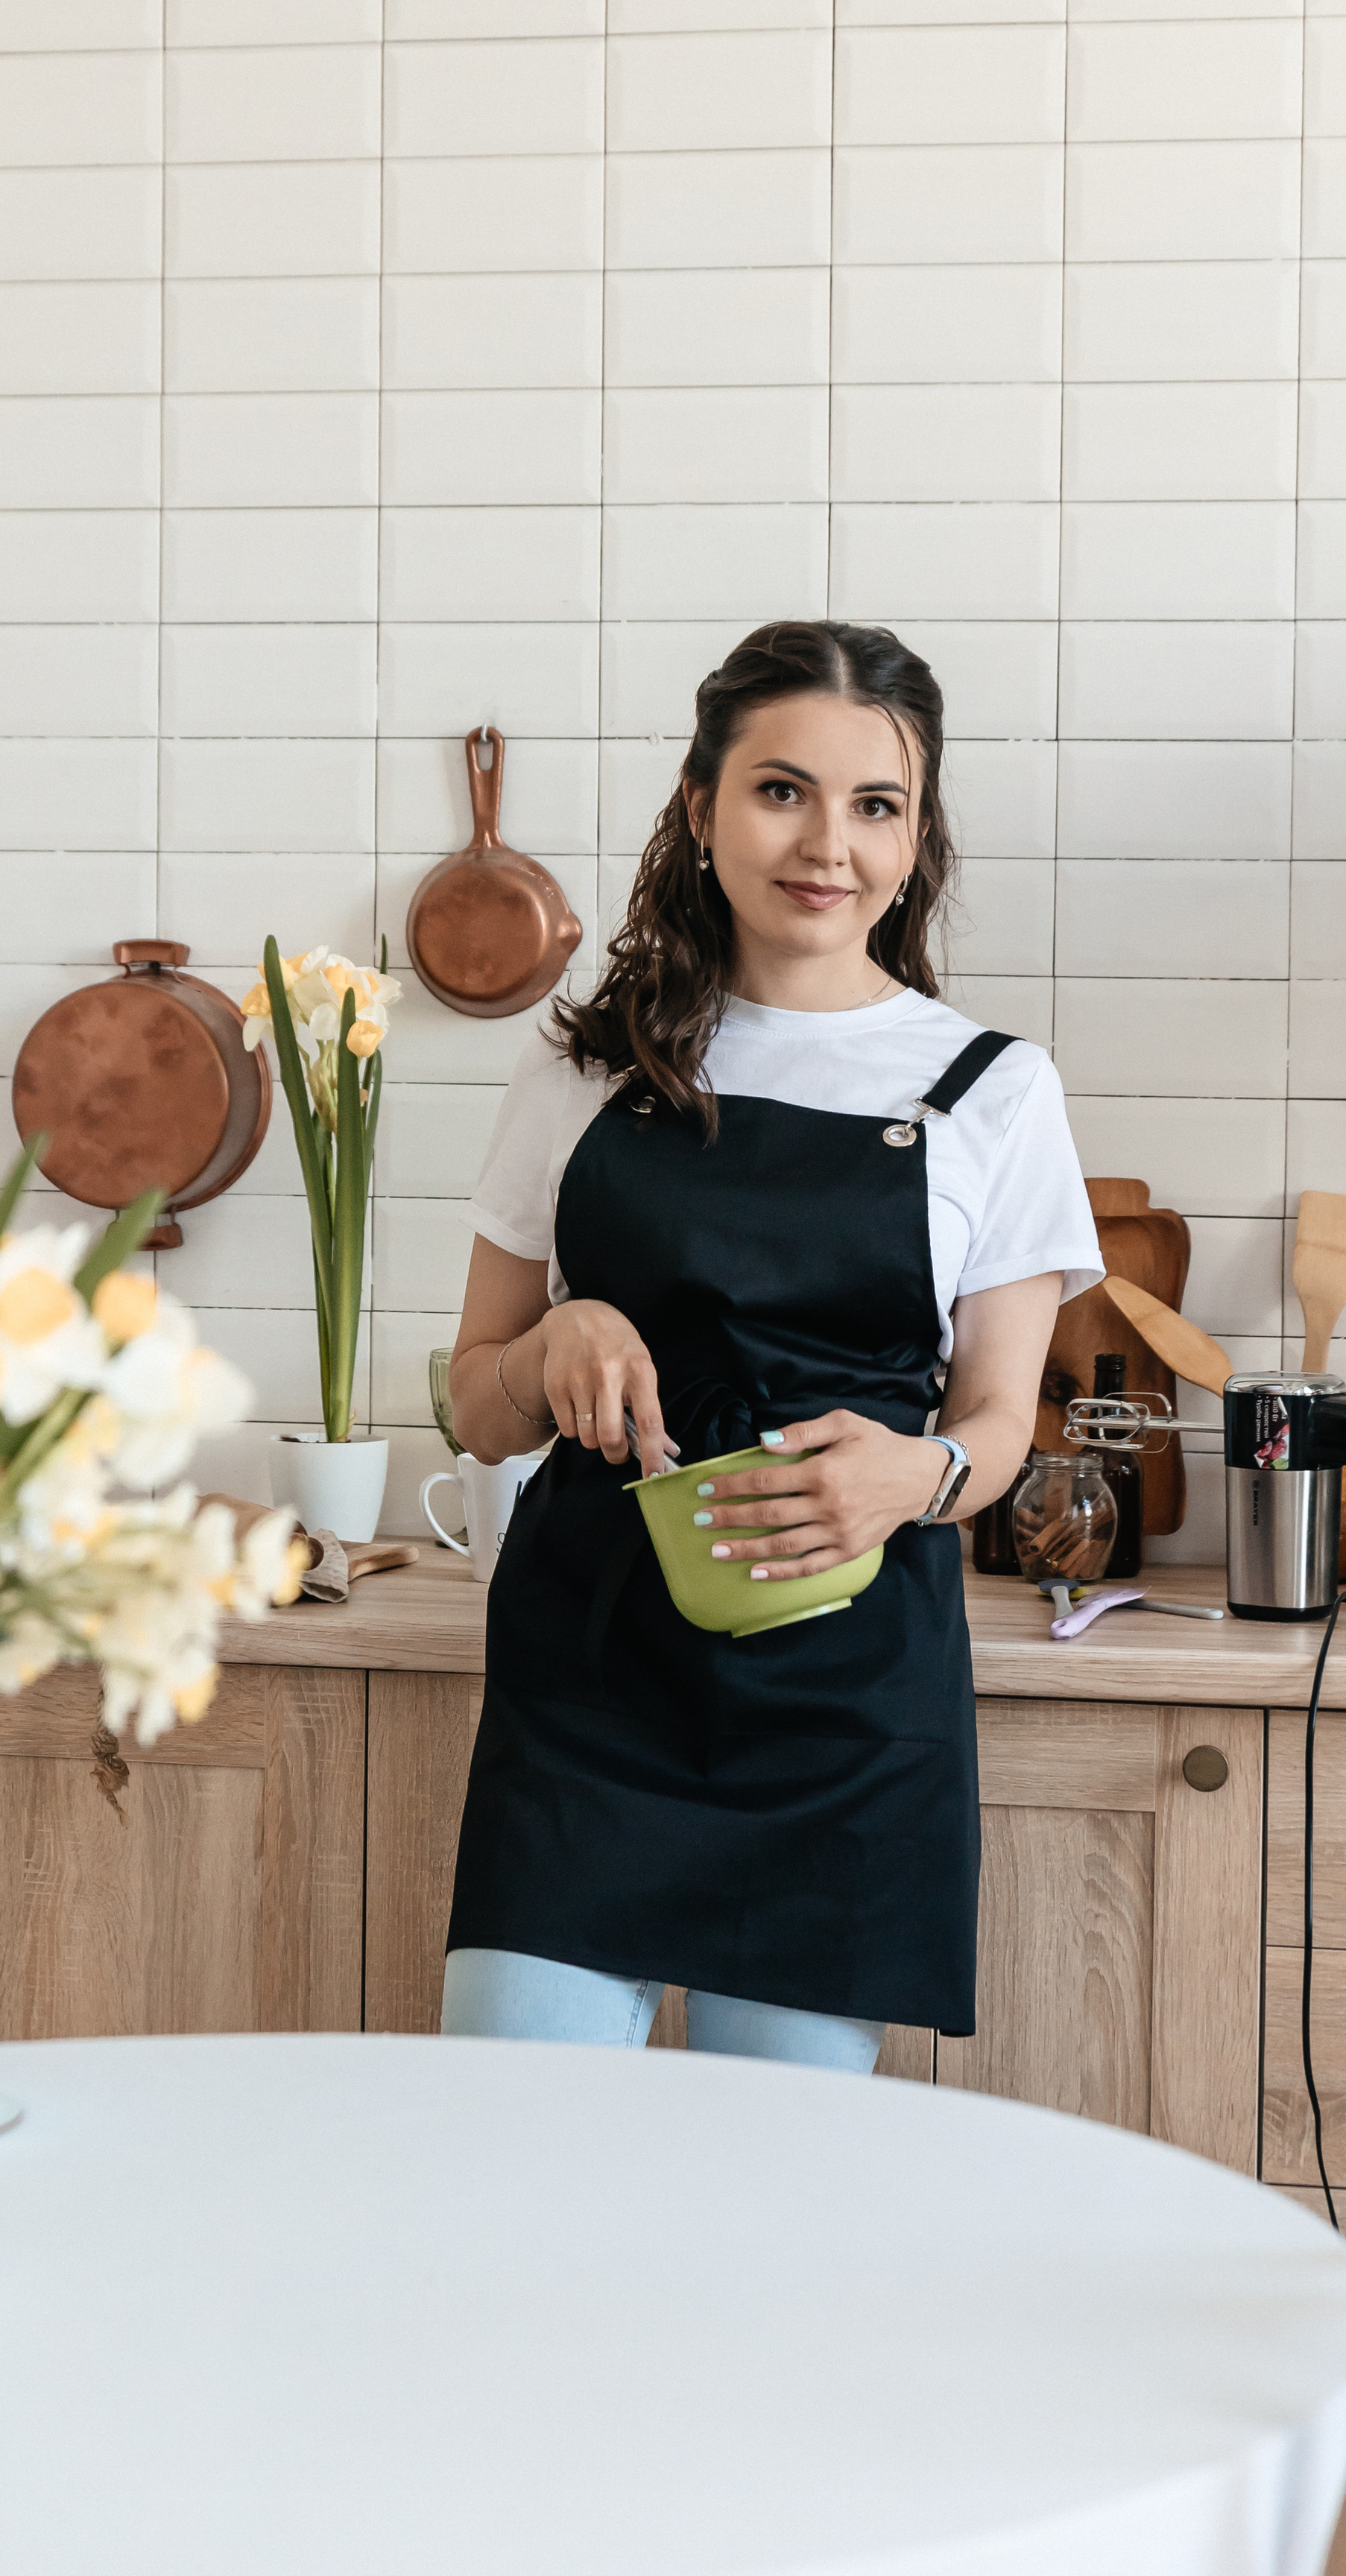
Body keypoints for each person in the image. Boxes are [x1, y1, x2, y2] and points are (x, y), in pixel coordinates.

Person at [439, 620, 1102, 2072]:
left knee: (780, 2213)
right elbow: (471, 1406)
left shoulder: (987, 1093)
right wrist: (553, 1334)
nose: (828, 845)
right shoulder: (581, 1064)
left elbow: (999, 1418)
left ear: (917, 838)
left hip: (843, 1704)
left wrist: (914, 1476)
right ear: (701, 806)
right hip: (591, 1687)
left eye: (876, 807)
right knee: (503, 2165)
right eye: (780, 790)